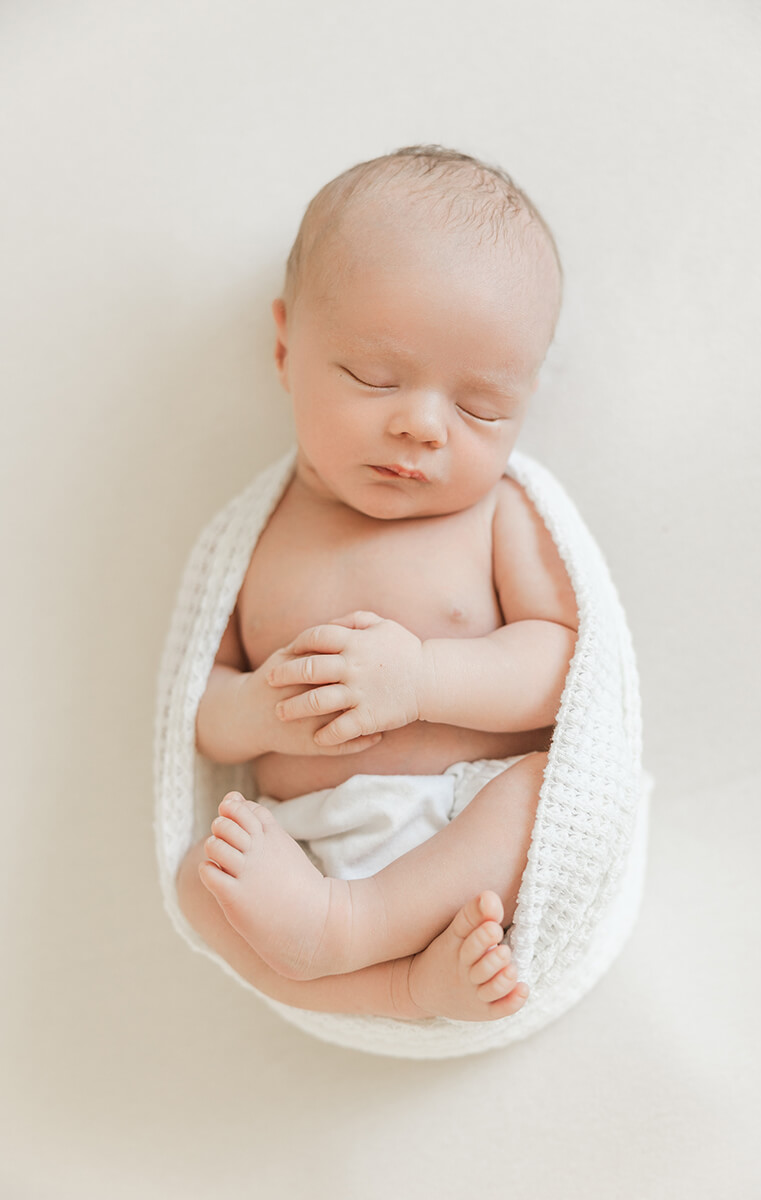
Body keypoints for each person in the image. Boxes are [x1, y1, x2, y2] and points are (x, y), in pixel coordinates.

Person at [177, 145, 577, 1023]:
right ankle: (395, 988)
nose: (423, 426)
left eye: (480, 408)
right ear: (286, 348)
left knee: (552, 789)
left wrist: (425, 679)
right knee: (195, 881)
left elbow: (563, 667)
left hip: (458, 828)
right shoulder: (251, 539)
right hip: (303, 842)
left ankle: (358, 933)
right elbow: (199, 710)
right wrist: (262, 712)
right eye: (374, 377)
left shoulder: (495, 516)